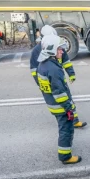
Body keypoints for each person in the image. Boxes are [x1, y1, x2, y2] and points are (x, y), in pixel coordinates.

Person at [36, 34, 84, 164]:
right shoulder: (53, 69)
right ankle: (65, 156)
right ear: (51, 50)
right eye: (59, 49)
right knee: (66, 130)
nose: (62, 51)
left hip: (52, 105)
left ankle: (65, 152)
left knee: (63, 128)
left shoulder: (43, 65)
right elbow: (59, 93)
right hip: (61, 107)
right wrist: (69, 109)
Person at [29, 24, 85, 128]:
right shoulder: (36, 50)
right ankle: (65, 122)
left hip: (57, 76)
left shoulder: (56, 46)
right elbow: (34, 69)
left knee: (67, 98)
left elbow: (66, 61)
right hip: (48, 79)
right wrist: (40, 82)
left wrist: (71, 74)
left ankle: (74, 121)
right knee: (58, 102)